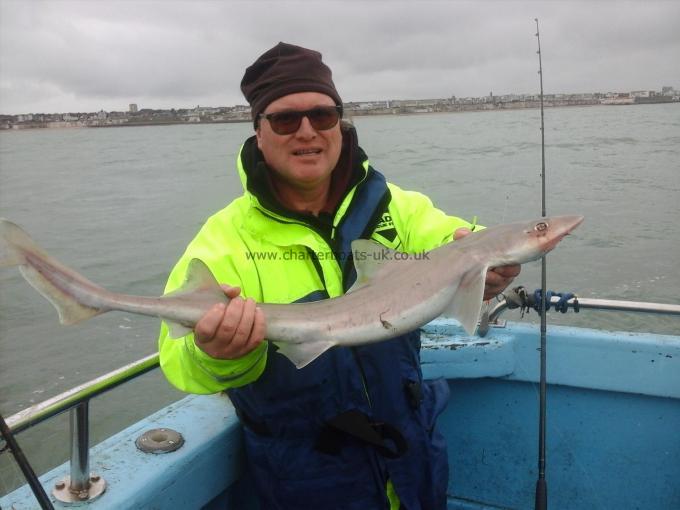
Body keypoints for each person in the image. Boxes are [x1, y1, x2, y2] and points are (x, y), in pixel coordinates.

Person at [159, 42, 520, 510]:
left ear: (341, 124)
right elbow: (177, 363)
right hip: (305, 477)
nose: (307, 131)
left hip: (412, 461)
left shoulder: (396, 207)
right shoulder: (224, 240)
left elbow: (455, 238)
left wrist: (488, 256)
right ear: (258, 133)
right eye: (286, 119)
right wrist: (220, 355)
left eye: (323, 115)